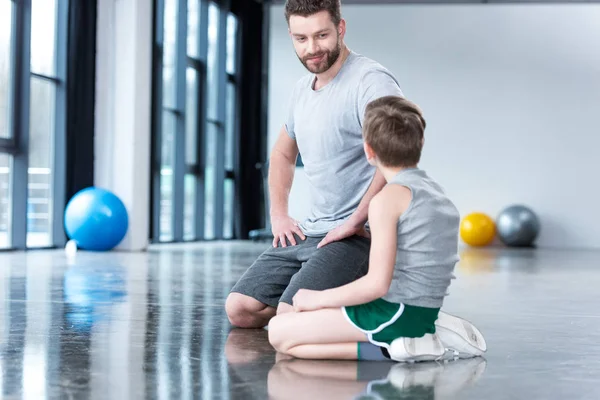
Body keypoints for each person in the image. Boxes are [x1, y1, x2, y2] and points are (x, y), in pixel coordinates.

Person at [225, 0, 484, 359]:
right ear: (291, 36)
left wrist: (355, 220)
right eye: (301, 38)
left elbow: (391, 150)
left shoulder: (370, 80)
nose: (312, 47)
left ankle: (396, 328)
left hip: (352, 235)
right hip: (311, 231)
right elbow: (282, 154)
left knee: (290, 316)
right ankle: (355, 317)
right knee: (239, 309)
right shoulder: (301, 90)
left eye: (321, 35)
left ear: (341, 29)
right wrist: (279, 215)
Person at [267, 95, 487, 362]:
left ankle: (390, 349)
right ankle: (418, 334)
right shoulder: (438, 195)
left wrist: (318, 299)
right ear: (421, 142)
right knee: (295, 326)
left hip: (393, 312)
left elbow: (377, 284)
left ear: (368, 151)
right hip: (424, 309)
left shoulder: (385, 200)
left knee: (279, 331)